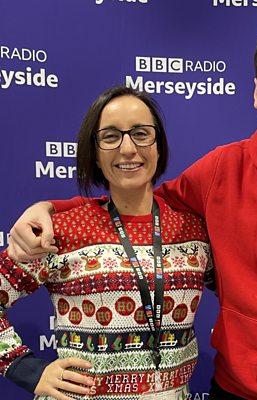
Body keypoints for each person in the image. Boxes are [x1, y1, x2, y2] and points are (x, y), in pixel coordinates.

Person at [7, 6, 257, 400]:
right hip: (232, 390)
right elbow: (136, 200)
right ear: (256, 90)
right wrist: (52, 209)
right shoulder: (220, 171)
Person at [0, 86, 212, 400]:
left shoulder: (193, 231)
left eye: (141, 133)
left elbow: (244, 292)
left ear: (158, 146)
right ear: (96, 155)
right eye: (111, 136)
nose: (128, 148)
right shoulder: (60, 231)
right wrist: (26, 369)